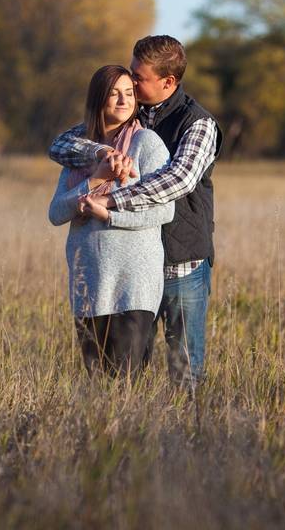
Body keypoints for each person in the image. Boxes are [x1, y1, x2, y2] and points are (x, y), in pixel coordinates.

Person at [49, 36, 223, 388]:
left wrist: (111, 201)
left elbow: (178, 180)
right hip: (131, 264)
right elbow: (61, 145)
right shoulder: (130, 111)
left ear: (168, 82)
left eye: (138, 78)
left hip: (180, 260)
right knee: (128, 369)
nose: (130, 83)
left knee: (184, 370)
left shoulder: (197, 123)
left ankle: (190, 436)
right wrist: (101, 155)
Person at [48, 65, 174, 381]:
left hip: (133, 283)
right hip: (89, 278)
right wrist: (94, 180)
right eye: (114, 93)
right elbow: (56, 213)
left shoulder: (148, 144)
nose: (123, 100)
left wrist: (109, 214)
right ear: (98, 99)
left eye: (129, 93)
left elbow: (164, 212)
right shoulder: (81, 152)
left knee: (125, 383)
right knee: (97, 383)